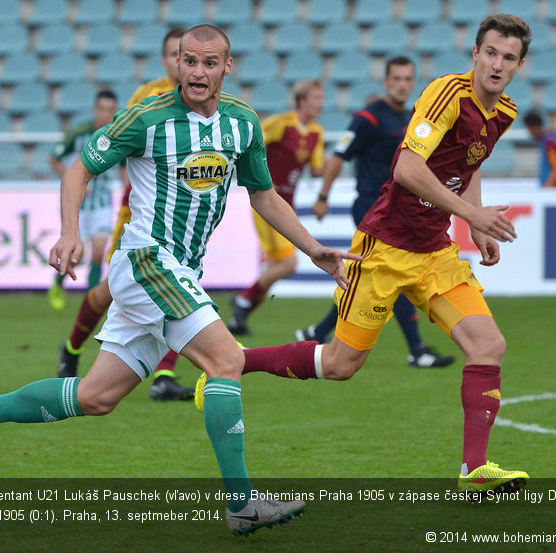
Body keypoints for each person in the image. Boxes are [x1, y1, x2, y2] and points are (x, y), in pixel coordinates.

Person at [0, 24, 358, 536]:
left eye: (208, 62)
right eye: (187, 61)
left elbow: (263, 196)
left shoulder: (242, 123)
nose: (197, 72)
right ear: (176, 62)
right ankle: (242, 504)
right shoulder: (146, 119)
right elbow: (78, 170)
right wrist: (69, 233)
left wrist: (314, 252)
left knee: (95, 397)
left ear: (228, 66)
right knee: (226, 360)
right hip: (147, 261)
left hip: (177, 271)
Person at [200, 14, 533, 496]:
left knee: (488, 345)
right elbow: (406, 168)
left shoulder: (504, 112)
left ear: (520, 65)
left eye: (509, 57)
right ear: (475, 55)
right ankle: (235, 361)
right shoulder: (447, 94)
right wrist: (472, 216)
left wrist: (472, 221)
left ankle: (473, 472)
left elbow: (469, 163)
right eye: (491, 53)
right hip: (385, 249)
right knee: (339, 364)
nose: (497, 64)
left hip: (435, 252)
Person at [57, 27, 195, 402]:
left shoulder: (208, 102)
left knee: (185, 289)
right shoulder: (146, 98)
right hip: (141, 216)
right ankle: (70, 349)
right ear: (168, 60)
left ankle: (164, 376)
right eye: (173, 55)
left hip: (185, 219)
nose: (180, 63)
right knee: (104, 293)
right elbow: (119, 146)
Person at [296, 57, 455, 369]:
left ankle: (318, 331)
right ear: (385, 82)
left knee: (375, 279)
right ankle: (417, 350)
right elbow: (339, 156)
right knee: (396, 277)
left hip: (398, 212)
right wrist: (323, 196)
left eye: (407, 79)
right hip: (372, 210)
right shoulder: (368, 118)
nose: (401, 84)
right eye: (395, 78)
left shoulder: (412, 118)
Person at [227, 80, 326, 335]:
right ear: (302, 100)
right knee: (288, 264)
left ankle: (240, 316)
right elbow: (251, 138)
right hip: (266, 202)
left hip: (286, 206)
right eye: (316, 98)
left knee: (275, 267)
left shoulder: (317, 132)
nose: (321, 103)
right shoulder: (282, 123)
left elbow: (316, 170)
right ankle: (243, 300)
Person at [47, 89, 121, 311]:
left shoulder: (119, 134)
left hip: (102, 201)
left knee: (99, 251)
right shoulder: (78, 134)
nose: (105, 114)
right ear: (95, 109)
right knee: (76, 255)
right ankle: (58, 284)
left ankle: (89, 303)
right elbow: (54, 158)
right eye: (102, 109)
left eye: (110, 109)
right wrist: (73, 181)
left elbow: (127, 167)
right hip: (78, 202)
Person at [523, 110, 556, 188]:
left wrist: (548, 187)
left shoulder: (549, 141)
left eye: (529, 129)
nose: (529, 132)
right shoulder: (547, 139)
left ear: (533, 126)